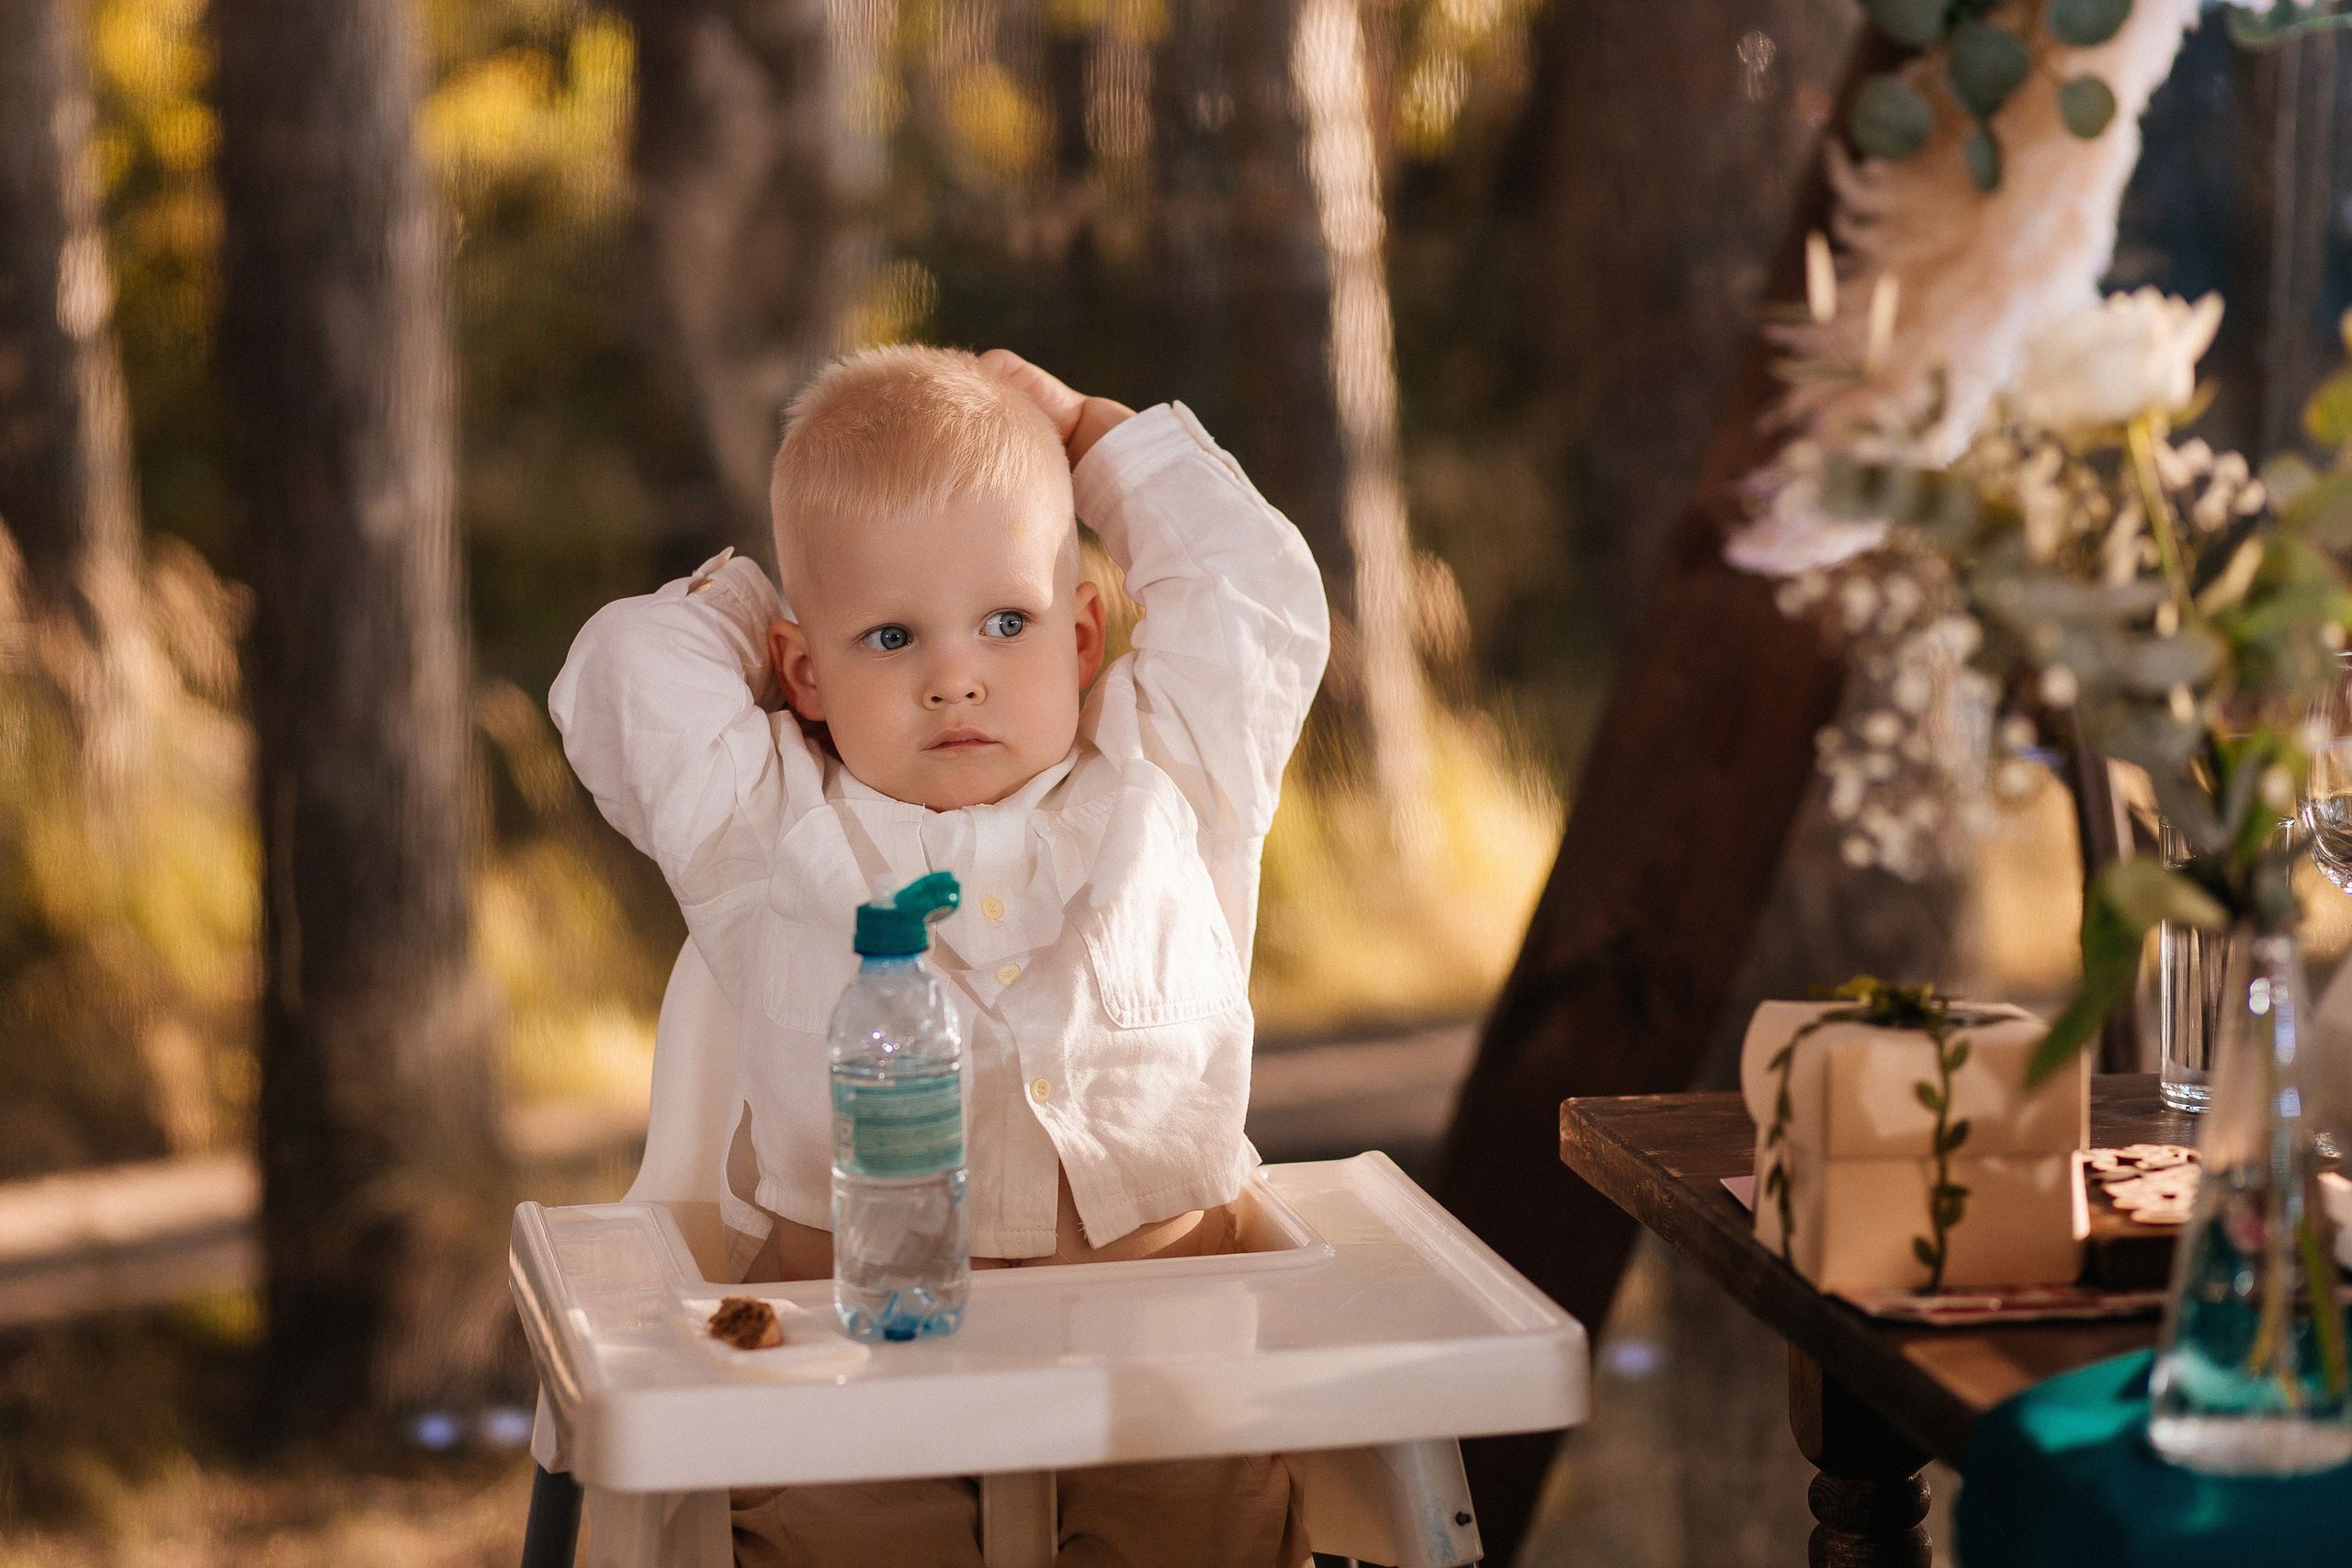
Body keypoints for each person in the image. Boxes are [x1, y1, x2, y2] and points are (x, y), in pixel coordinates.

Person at [549, 344, 1329, 1567]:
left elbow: (1256, 589)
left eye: (1005, 623)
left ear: (1083, 638)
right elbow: (621, 677)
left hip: (1167, 1362)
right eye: (890, 637)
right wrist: (763, 603)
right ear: (803, 672)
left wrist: (1090, 435)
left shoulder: (1173, 771)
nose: (955, 678)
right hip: (852, 1371)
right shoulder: (771, 828)